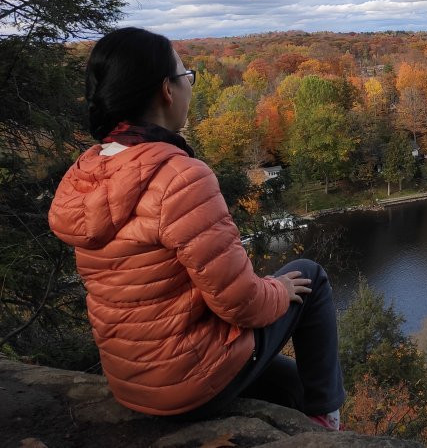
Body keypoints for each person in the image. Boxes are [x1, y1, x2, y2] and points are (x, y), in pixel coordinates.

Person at [48, 27, 345, 428]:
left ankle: (311, 413)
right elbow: (241, 302)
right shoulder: (179, 176)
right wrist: (278, 289)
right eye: (186, 75)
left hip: (132, 381)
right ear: (166, 90)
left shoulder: (87, 174)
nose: (190, 84)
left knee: (293, 384)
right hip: (186, 385)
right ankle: (328, 420)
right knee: (310, 276)